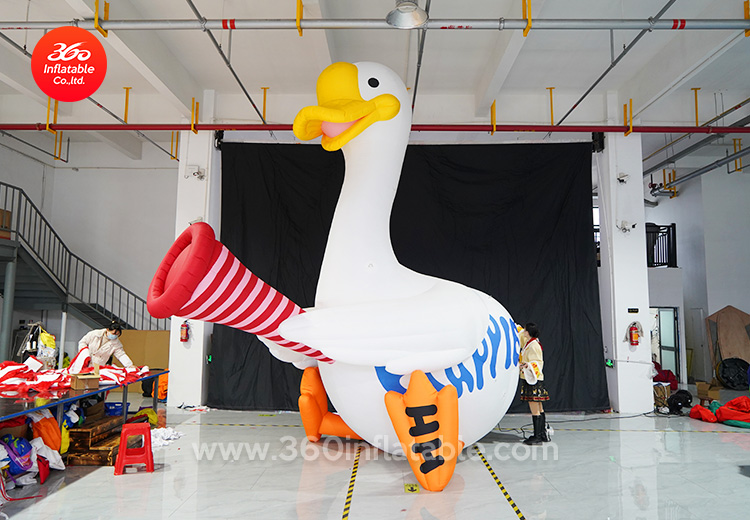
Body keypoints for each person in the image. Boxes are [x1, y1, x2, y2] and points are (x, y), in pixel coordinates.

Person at [519, 322, 550, 445]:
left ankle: (537, 435)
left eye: (525, 330)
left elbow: (537, 362)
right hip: (534, 379)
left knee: (535, 408)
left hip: (533, 380)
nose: (523, 332)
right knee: (539, 407)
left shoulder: (533, 345)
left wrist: (527, 365)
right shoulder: (530, 343)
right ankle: (542, 433)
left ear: (528, 332)